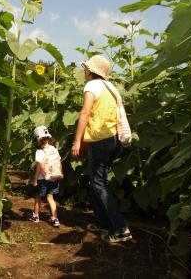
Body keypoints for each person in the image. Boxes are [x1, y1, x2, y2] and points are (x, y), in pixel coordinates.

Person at [71, 55, 132, 243]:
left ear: (92, 71)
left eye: (86, 68)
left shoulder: (91, 86)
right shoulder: (112, 88)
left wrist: (77, 141)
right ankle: (102, 222)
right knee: (97, 182)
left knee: (99, 183)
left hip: (99, 141)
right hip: (112, 140)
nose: (84, 70)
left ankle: (121, 229)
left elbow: (86, 113)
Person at [28, 126, 61, 227]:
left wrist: (35, 180)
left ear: (38, 139)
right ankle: (55, 218)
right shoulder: (54, 149)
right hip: (53, 177)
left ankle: (36, 216)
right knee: (50, 197)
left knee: (38, 196)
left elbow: (39, 167)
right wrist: (60, 174)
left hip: (43, 178)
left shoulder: (39, 152)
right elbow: (59, 162)